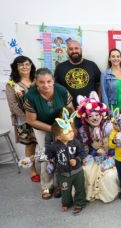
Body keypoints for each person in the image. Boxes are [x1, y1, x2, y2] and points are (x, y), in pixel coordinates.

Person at [23, 68, 74, 200]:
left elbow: (71, 110)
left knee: (63, 153)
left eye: (48, 81)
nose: (46, 85)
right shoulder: (30, 97)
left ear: (53, 80)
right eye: (41, 82)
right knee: (46, 154)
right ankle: (46, 185)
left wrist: (70, 129)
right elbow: (31, 120)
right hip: (42, 126)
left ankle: (60, 184)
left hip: (62, 126)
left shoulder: (62, 90)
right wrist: (53, 129)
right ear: (36, 82)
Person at [76, 91, 120, 203]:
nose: (94, 118)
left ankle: (105, 194)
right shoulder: (83, 131)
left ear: (101, 115)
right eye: (90, 116)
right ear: (86, 118)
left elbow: (117, 144)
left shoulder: (109, 127)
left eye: (97, 115)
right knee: (86, 170)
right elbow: (85, 148)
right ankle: (92, 194)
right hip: (94, 155)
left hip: (111, 155)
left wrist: (109, 151)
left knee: (109, 175)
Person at [46, 108, 86, 215]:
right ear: (58, 136)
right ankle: (66, 203)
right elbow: (48, 153)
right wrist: (50, 158)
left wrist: (77, 160)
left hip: (77, 172)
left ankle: (80, 203)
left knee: (80, 188)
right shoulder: (54, 146)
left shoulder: (76, 142)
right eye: (67, 132)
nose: (71, 133)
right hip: (63, 174)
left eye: (71, 130)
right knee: (65, 190)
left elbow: (82, 152)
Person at [6, 56, 38, 182]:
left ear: (31, 65)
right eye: (21, 65)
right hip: (24, 121)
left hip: (40, 118)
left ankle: (48, 167)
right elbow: (13, 106)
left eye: (27, 64)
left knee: (42, 143)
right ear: (16, 67)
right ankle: (32, 170)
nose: (25, 67)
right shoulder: (11, 84)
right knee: (30, 144)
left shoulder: (37, 80)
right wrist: (29, 118)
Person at [54, 40, 101, 108]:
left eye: (76, 48)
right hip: (69, 109)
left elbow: (99, 85)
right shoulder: (60, 68)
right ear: (67, 51)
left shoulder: (91, 65)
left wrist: (98, 102)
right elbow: (56, 89)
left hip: (90, 110)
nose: (74, 51)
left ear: (81, 50)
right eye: (71, 49)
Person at [101, 48, 121, 116]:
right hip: (114, 108)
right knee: (116, 126)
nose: (116, 58)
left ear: (120, 58)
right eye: (113, 56)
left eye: (118, 56)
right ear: (109, 59)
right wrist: (108, 111)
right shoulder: (105, 74)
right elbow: (104, 95)